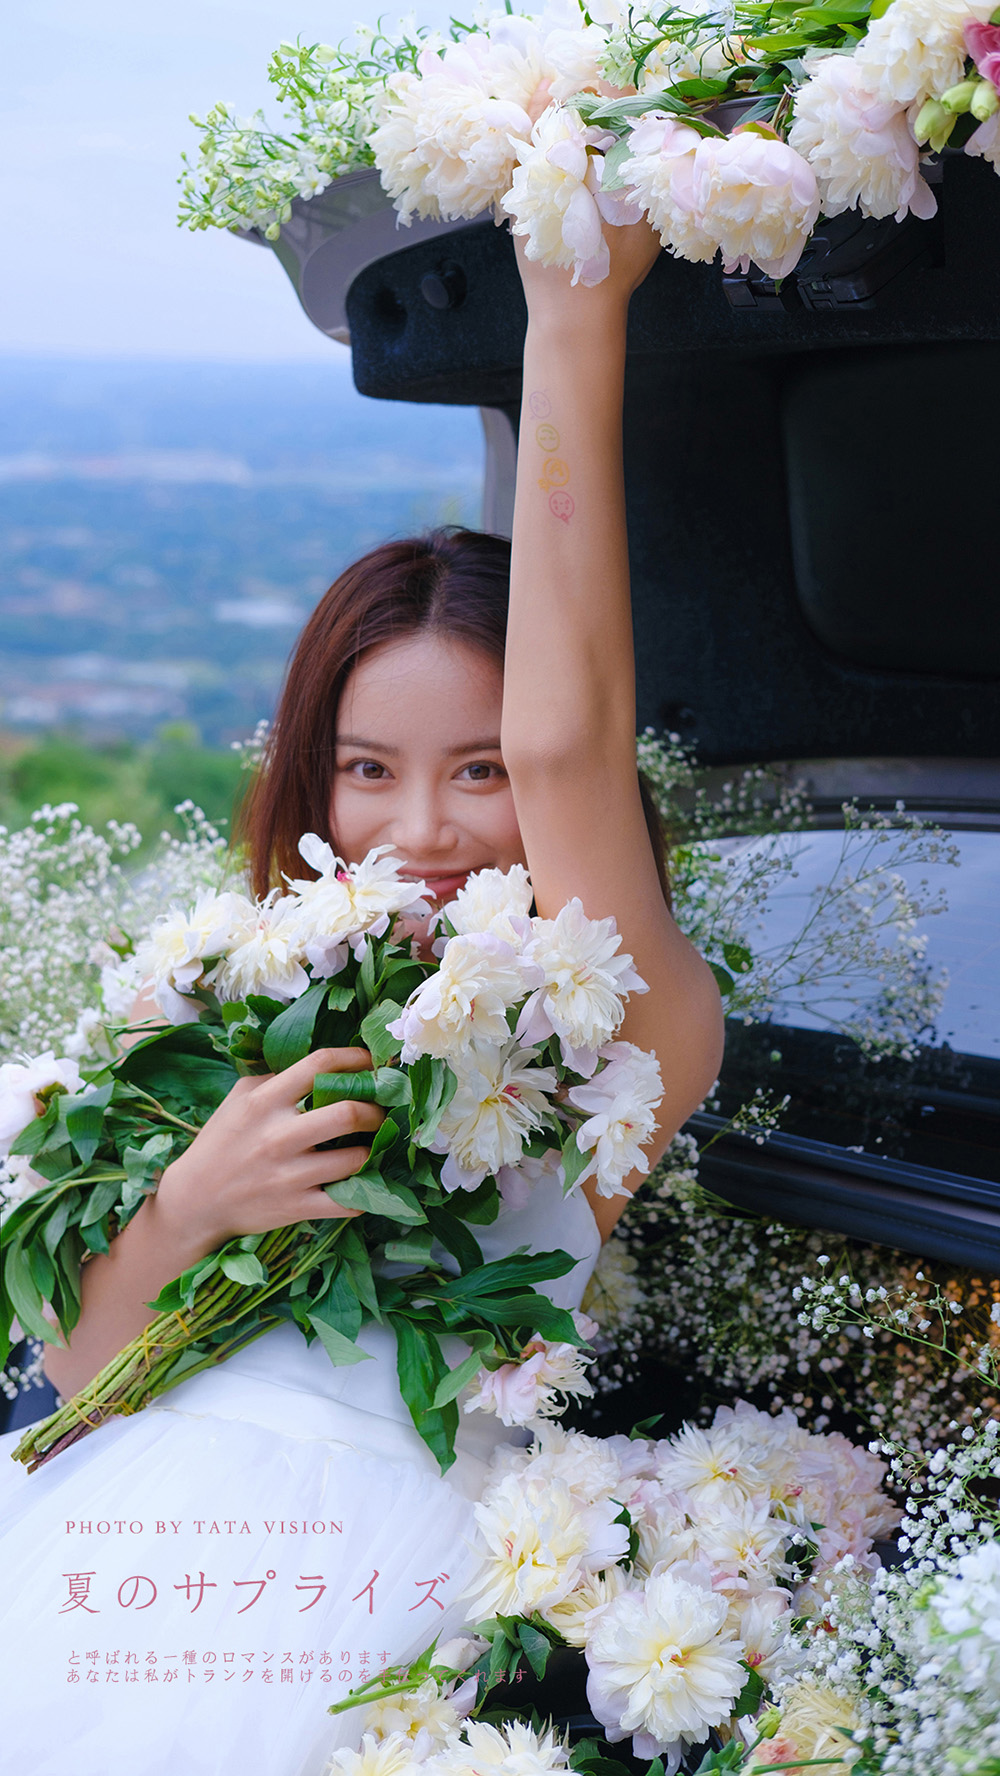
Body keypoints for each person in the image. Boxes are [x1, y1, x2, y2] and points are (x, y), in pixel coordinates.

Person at [0, 222, 724, 1776]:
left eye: (480, 771)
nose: (426, 828)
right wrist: (191, 1204)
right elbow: (74, 1377)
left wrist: (571, 310)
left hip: (348, 1578)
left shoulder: (619, 1023)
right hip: (106, 1537)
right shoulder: (247, 1004)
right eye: (369, 769)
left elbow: (571, 741)